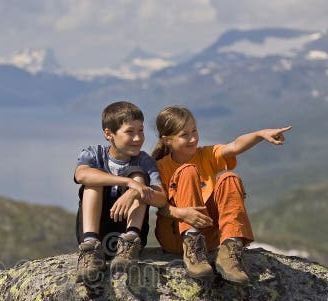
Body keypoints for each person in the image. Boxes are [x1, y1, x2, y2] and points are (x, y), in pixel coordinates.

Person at [151, 105, 291, 285]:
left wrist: (260, 134)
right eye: (184, 134)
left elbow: (234, 146)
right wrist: (182, 214)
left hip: (209, 237)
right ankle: (192, 246)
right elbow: (160, 206)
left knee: (229, 177)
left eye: (194, 131)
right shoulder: (160, 167)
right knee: (187, 171)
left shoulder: (205, 155)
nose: (193, 138)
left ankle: (229, 251)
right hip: (175, 236)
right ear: (167, 140)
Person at [74, 101, 167, 282]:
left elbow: (161, 199)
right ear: (109, 134)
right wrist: (128, 183)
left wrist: (135, 191)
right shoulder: (93, 154)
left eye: (141, 131)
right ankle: (91, 248)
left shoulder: (144, 161)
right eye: (130, 132)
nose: (138, 138)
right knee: (94, 181)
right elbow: (81, 175)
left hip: (127, 236)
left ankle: (130, 242)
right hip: (98, 234)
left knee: (139, 174)